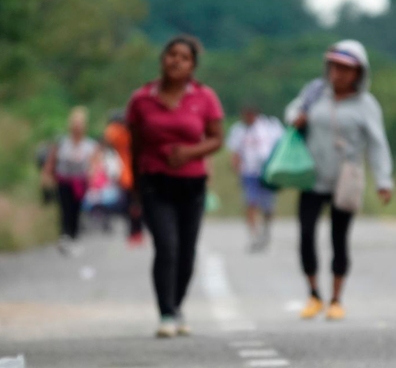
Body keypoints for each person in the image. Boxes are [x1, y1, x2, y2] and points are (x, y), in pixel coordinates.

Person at [285, 39, 394, 321]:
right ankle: (312, 295)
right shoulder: (316, 93)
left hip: (345, 178)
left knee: (339, 238)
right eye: (334, 67)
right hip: (312, 177)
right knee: (306, 235)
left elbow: (377, 144)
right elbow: (291, 111)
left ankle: (335, 299)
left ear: (358, 73)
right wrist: (297, 117)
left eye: (346, 69)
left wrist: (384, 180)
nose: (338, 73)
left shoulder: (366, 104)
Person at [127, 35, 224, 339]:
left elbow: (217, 138)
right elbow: (135, 144)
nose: (176, 61)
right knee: (166, 247)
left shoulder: (204, 98)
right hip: (154, 182)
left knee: (186, 251)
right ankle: (166, 312)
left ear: (193, 66)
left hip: (192, 184)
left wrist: (189, 153)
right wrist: (134, 187)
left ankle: (178, 305)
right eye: (171, 55)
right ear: (162, 58)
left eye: (184, 57)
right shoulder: (141, 99)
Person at [41, 107, 100, 257]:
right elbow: (51, 163)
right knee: (64, 209)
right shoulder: (61, 143)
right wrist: (46, 178)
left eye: (80, 124)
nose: (77, 127)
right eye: (75, 124)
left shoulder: (90, 145)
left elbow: (94, 165)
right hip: (63, 181)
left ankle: (73, 238)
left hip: (80, 183)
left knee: (76, 210)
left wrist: (93, 181)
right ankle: (64, 237)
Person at [226, 105, 284, 252]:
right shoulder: (239, 130)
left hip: (266, 173)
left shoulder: (270, 126)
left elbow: (281, 146)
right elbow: (235, 151)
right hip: (249, 172)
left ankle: (266, 231)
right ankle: (254, 235)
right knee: (250, 203)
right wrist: (236, 166)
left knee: (268, 206)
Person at [104, 112, 144, 247]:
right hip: (128, 176)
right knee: (131, 206)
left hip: (135, 175)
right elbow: (109, 136)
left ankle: (137, 232)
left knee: (135, 206)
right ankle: (135, 232)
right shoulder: (122, 135)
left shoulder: (127, 135)